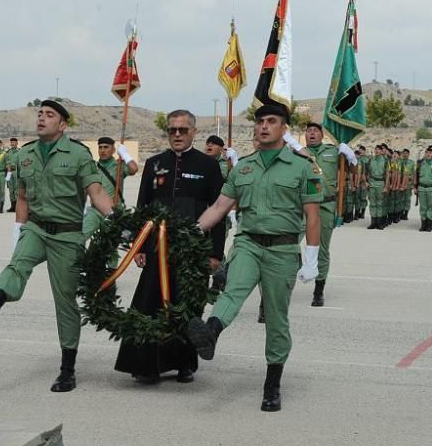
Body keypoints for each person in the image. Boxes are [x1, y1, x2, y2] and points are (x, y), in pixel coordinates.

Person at [0, 100, 115, 392]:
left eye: (50, 115)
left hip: (68, 235)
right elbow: (22, 197)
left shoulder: (78, 154)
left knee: (65, 303)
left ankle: (67, 369)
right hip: (35, 228)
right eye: (40, 114)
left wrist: (120, 221)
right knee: (17, 264)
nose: (42, 118)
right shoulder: (25, 154)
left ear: (62, 124)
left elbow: (96, 192)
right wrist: (18, 230)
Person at [185, 104, 322, 412]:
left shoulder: (303, 167)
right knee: (233, 288)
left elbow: (313, 216)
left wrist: (312, 257)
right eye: (260, 121)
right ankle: (210, 333)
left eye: (271, 121)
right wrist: (194, 230)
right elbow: (220, 206)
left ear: (284, 128)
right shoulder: (244, 167)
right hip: (247, 242)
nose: (263, 126)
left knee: (276, 318)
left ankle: (272, 384)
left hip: (283, 249)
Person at [113, 111, 226, 385]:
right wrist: (137, 246)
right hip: (157, 248)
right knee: (149, 303)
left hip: (193, 249)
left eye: (183, 130)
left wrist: (215, 254)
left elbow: (219, 211)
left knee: (187, 305)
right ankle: (146, 365)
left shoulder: (208, 166)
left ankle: (184, 363)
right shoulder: (154, 164)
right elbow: (143, 207)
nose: (177, 134)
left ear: (193, 132)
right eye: (172, 130)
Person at [295, 122, 357, 307]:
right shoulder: (297, 153)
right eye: (308, 131)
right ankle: (296, 268)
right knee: (289, 242)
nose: (311, 133)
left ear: (322, 135)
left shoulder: (333, 152)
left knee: (322, 250)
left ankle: (318, 291)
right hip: (302, 205)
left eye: (315, 131)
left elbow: (353, 171)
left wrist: (351, 157)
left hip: (325, 206)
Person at [86, 136, 138, 238]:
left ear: (113, 150)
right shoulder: (93, 167)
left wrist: (125, 155)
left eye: (106, 147)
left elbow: (134, 169)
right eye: (100, 147)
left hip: (114, 212)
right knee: (81, 236)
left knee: (109, 246)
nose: (103, 150)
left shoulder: (119, 165)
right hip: (95, 211)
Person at [416, 146, 432, 231]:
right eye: (427, 153)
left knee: (430, 207)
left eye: (430, 153)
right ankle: (423, 225)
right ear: (425, 154)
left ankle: (429, 225)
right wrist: (415, 187)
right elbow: (416, 175)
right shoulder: (420, 163)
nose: (428, 154)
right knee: (423, 207)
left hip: (431, 188)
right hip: (421, 188)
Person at [366, 144, 389, 229]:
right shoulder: (371, 160)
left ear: (381, 151)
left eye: (378, 149)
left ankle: (379, 223)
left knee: (379, 203)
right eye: (375, 149)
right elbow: (367, 172)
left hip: (380, 183)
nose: (376, 151)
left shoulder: (385, 161)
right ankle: (373, 222)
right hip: (372, 183)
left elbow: (387, 175)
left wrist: (386, 187)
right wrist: (366, 182)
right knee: (372, 203)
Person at [5, 137, 20, 212]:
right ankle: (12, 206)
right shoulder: (8, 152)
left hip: (17, 172)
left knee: (17, 190)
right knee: (11, 190)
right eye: (11, 142)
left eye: (14, 142)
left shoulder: (20, 152)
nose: (12, 143)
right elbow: (6, 162)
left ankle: (17, 207)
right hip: (9, 172)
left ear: (17, 143)